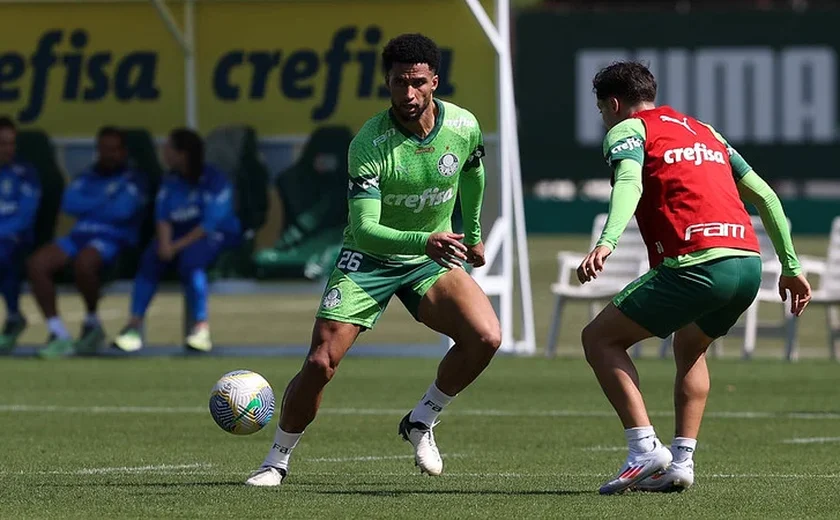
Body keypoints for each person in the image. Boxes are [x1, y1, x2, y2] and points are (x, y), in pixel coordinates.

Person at [245, 33, 500, 487]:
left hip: (428, 259)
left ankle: (422, 419)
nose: (408, 93)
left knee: (485, 337)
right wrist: (426, 240)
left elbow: (473, 173)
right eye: (399, 82)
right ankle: (275, 461)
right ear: (387, 82)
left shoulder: (463, 126)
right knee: (321, 362)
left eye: (417, 82)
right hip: (369, 259)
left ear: (434, 81)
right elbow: (364, 229)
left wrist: (475, 236)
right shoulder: (369, 142)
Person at [578, 61, 812, 494]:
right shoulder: (706, 132)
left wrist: (607, 241)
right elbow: (765, 196)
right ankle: (682, 462)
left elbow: (629, 182)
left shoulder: (628, 129)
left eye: (602, 111)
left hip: (696, 265)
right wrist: (791, 267)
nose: (604, 120)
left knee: (599, 339)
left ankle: (644, 449)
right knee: (690, 347)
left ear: (613, 104)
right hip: (747, 264)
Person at [112, 128, 241, 353]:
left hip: (214, 235)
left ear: (183, 154)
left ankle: (200, 328)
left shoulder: (215, 180)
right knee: (150, 259)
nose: (164, 153)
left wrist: (174, 247)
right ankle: (133, 327)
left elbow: (209, 224)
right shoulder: (170, 180)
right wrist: (164, 244)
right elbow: (163, 216)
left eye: (168, 148)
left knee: (192, 262)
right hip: (177, 236)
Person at [27, 126, 146, 358]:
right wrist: (105, 199)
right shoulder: (88, 176)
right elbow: (69, 203)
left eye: (113, 149)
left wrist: (91, 203)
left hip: (112, 239)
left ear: (123, 151)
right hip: (78, 237)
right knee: (37, 264)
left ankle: (92, 323)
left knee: (85, 262)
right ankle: (58, 333)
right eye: (103, 149)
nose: (108, 154)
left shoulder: (134, 179)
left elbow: (123, 210)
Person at [0, 117, 41, 353]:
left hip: (15, 239)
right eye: (2, 143)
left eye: (11, 143)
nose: (8, 149)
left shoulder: (25, 173)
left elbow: (25, 217)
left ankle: (14, 316)